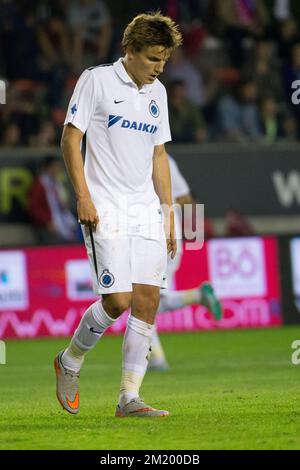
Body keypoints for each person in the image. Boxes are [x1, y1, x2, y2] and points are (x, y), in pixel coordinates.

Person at [54, 12, 182, 418]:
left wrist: (168, 214)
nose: (159, 68)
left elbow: (159, 155)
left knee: (147, 301)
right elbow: (70, 138)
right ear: (130, 50)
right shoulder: (97, 80)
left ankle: (129, 398)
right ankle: (70, 360)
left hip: (144, 207)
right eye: (153, 59)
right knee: (118, 300)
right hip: (104, 206)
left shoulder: (157, 93)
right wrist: (83, 196)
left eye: (164, 60)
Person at [149, 155, 223, 371]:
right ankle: (198, 296)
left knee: (141, 301)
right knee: (146, 302)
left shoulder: (155, 158)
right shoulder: (161, 158)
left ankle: (157, 360)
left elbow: (184, 198)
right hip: (167, 240)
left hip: (156, 239)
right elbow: (186, 199)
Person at [28, 156, 78, 244]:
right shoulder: (39, 185)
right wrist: (47, 222)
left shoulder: (58, 184)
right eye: (55, 167)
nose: (58, 170)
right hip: (47, 226)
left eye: (59, 167)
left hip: (63, 223)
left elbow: (63, 204)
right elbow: (34, 208)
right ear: (46, 168)